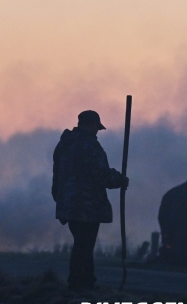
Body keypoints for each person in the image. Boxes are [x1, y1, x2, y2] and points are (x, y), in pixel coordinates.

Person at [52, 110, 129, 291]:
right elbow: (101, 175)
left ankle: (83, 281)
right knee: (84, 245)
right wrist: (119, 180)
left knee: (81, 243)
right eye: (96, 127)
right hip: (87, 205)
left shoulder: (64, 145)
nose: (97, 132)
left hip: (69, 203)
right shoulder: (90, 146)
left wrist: (59, 196)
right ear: (90, 124)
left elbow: (57, 174)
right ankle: (80, 284)